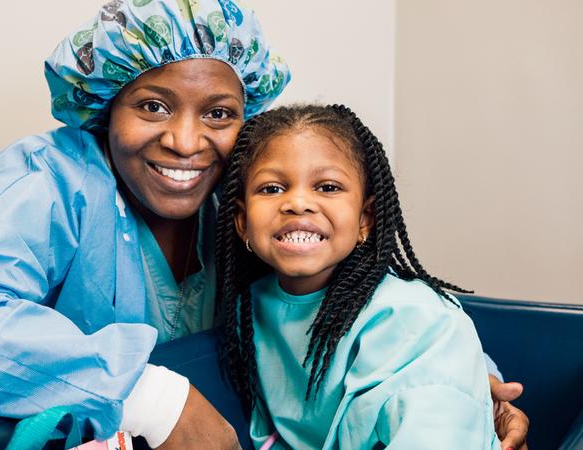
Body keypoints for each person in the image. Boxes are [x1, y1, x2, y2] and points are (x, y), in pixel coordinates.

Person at [0, 1, 527, 449]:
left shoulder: (240, 203)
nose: (185, 142)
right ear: (104, 107)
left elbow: (348, 301)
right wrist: (149, 394)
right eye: (152, 105)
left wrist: (468, 387)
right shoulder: (51, 182)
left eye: (218, 113)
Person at [216, 104, 515, 449]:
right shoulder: (249, 310)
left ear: (365, 220)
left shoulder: (417, 321)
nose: (297, 203)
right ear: (241, 222)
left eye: (327, 187)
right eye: (271, 189)